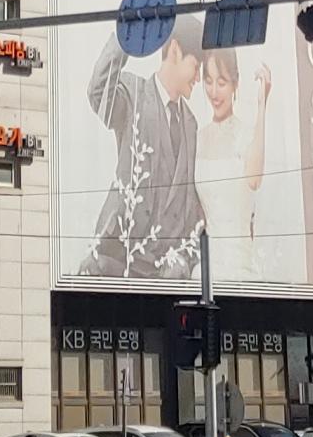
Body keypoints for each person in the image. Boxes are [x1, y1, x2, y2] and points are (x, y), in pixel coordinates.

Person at [83, 17, 203, 278]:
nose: (199, 78)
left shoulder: (191, 125)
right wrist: (127, 33)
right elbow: (98, 93)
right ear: (175, 51)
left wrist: (185, 259)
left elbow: (191, 203)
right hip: (116, 259)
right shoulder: (133, 94)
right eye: (196, 66)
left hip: (163, 276)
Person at [192, 50, 273, 284]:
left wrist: (262, 104)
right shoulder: (198, 138)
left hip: (241, 267)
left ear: (235, 84)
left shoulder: (246, 136)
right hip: (207, 268)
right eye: (208, 81)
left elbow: (254, 179)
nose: (214, 92)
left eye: (222, 83)